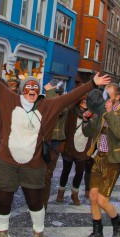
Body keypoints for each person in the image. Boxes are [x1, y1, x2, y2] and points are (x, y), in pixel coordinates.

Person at [0, 46, 111, 237]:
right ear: (22, 90)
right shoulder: (9, 99)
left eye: (35, 88)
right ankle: (2, 235)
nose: (32, 91)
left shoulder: (47, 106)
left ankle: (38, 235)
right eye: (28, 87)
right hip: (7, 162)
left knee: (35, 201)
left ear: (39, 91)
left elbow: (71, 97)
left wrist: (92, 84)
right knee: (2, 200)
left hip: (33, 164)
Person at [80, 84, 120, 237]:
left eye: (107, 96)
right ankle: (97, 233)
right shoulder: (102, 111)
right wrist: (86, 120)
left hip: (113, 160)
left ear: (117, 97)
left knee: (103, 201)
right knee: (93, 197)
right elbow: (89, 133)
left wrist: (110, 113)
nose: (104, 99)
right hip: (99, 158)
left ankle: (118, 224)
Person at [56, 92, 93, 205]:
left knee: (79, 173)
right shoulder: (71, 112)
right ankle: (60, 192)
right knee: (65, 171)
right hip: (69, 147)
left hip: (83, 148)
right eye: (82, 100)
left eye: (87, 101)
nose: (84, 102)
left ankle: (74, 194)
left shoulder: (93, 115)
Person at [42, 80, 68, 209]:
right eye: (54, 93)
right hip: (41, 140)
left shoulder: (63, 105)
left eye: (58, 94)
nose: (56, 96)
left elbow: (58, 108)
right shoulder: (44, 103)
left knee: (47, 175)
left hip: (55, 142)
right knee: (36, 173)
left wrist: (49, 90)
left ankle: (43, 205)